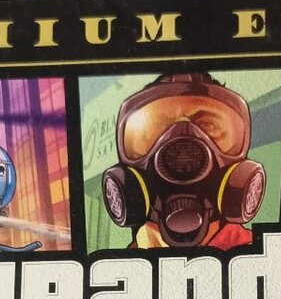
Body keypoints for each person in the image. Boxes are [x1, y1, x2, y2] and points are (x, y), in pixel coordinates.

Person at [100, 73, 265, 249]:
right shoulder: (125, 264)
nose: (182, 152)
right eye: (157, 126)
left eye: (208, 125)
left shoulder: (257, 252)